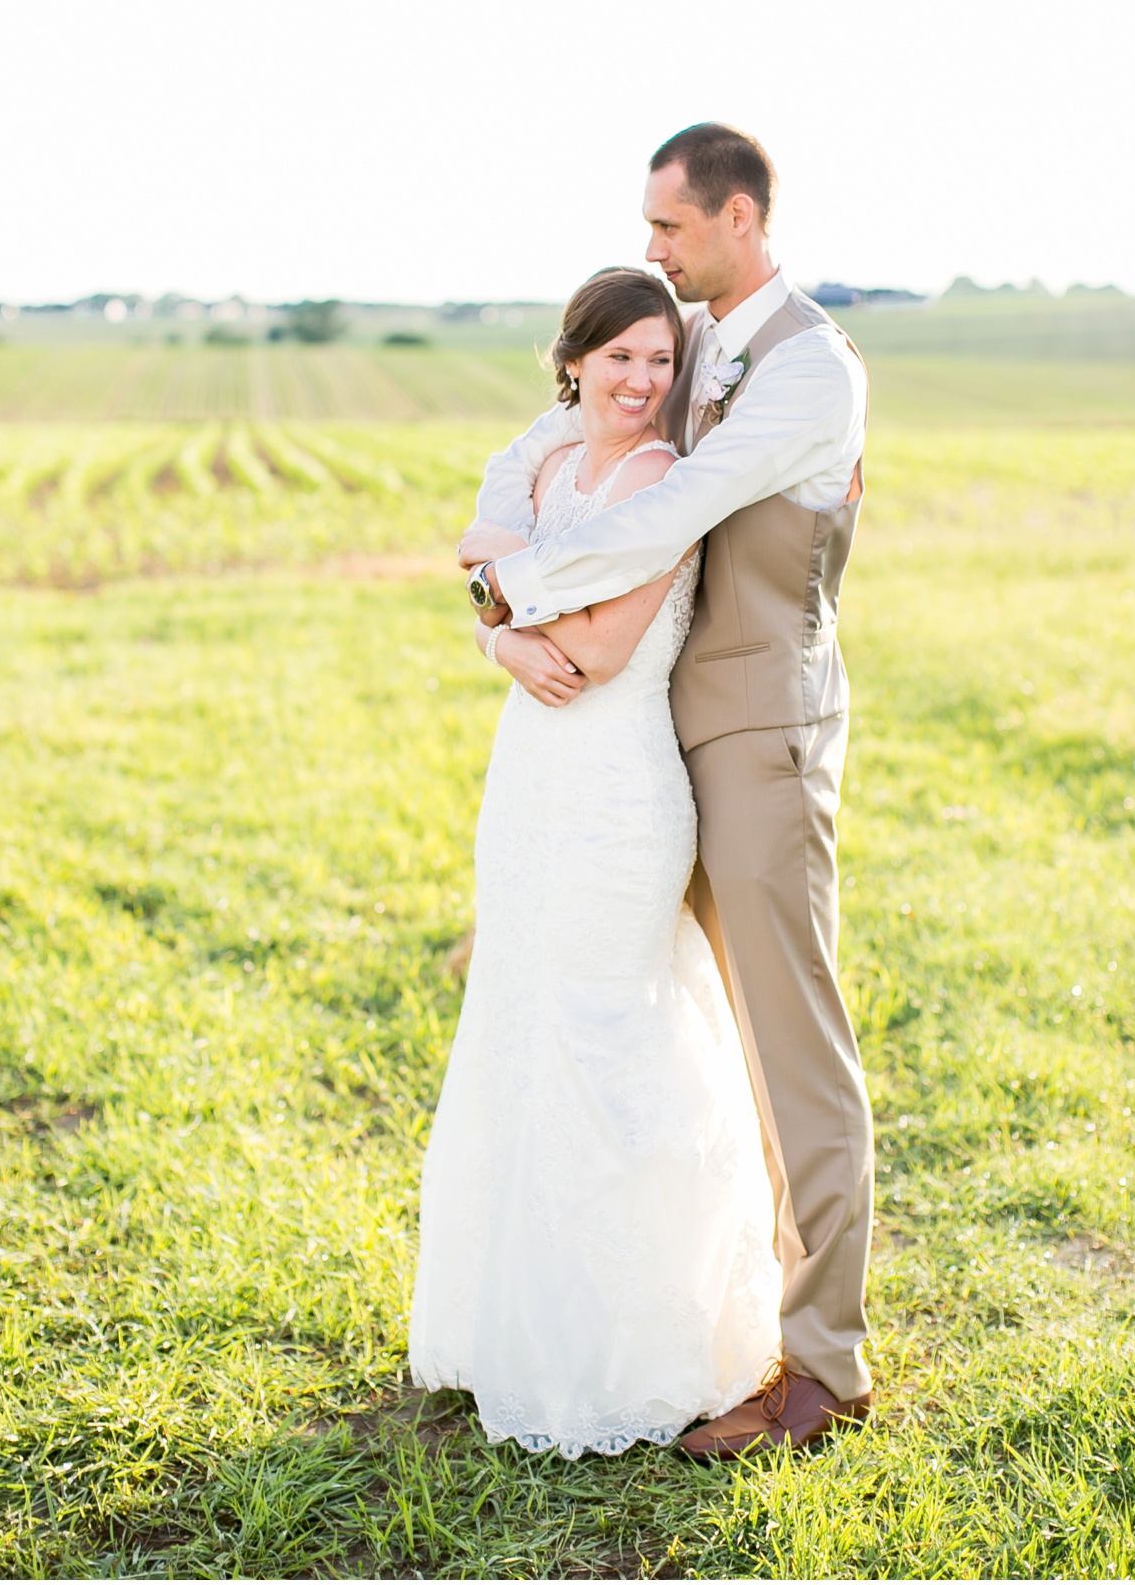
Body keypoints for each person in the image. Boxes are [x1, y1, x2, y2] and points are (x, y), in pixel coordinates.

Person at [458, 124, 874, 1457]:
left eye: (668, 228)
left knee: (790, 1042)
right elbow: (540, 441)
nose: (649, 250)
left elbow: (661, 512)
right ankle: (714, 1310)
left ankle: (822, 1366)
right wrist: (485, 601)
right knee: (683, 1033)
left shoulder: (807, 369)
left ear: (738, 218)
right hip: (649, 747)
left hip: (755, 734)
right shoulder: (692, 347)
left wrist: (511, 589)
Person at [408, 265, 783, 1459]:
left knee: (610, 1027)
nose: (640, 380)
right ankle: (516, 1322)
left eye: (661, 361)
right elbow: (483, 565)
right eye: (619, 356)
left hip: (620, 790)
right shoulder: (539, 460)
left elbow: (610, 647)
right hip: (527, 786)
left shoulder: (659, 478)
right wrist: (502, 635)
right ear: (573, 359)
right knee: (520, 1019)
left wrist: (503, 622)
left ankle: (647, 1338)